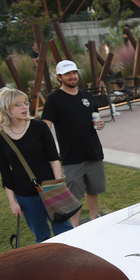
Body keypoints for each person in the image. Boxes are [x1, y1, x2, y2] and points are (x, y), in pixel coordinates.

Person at [0, 89, 73, 242]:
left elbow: (54, 159)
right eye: (18, 105)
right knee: (42, 237)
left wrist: (58, 186)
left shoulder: (39, 127)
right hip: (25, 195)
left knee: (64, 232)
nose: (25, 107)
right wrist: (12, 202)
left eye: (25, 103)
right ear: (5, 108)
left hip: (50, 187)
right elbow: (5, 173)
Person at [40, 60, 106, 227]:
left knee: (93, 189)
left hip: (93, 152)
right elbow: (45, 127)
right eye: (67, 74)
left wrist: (101, 124)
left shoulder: (87, 96)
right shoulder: (54, 99)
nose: (72, 76)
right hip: (71, 156)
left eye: (74, 72)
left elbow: (95, 118)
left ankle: (94, 219)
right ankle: (75, 228)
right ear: (59, 77)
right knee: (73, 196)